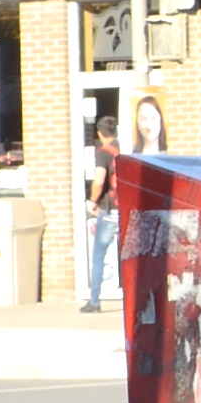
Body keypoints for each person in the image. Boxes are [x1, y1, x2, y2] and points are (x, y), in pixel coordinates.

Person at [83, 115, 119, 313]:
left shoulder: (103, 153)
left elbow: (99, 180)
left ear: (99, 134)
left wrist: (92, 201)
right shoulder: (121, 150)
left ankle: (94, 302)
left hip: (109, 209)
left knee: (99, 255)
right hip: (125, 209)